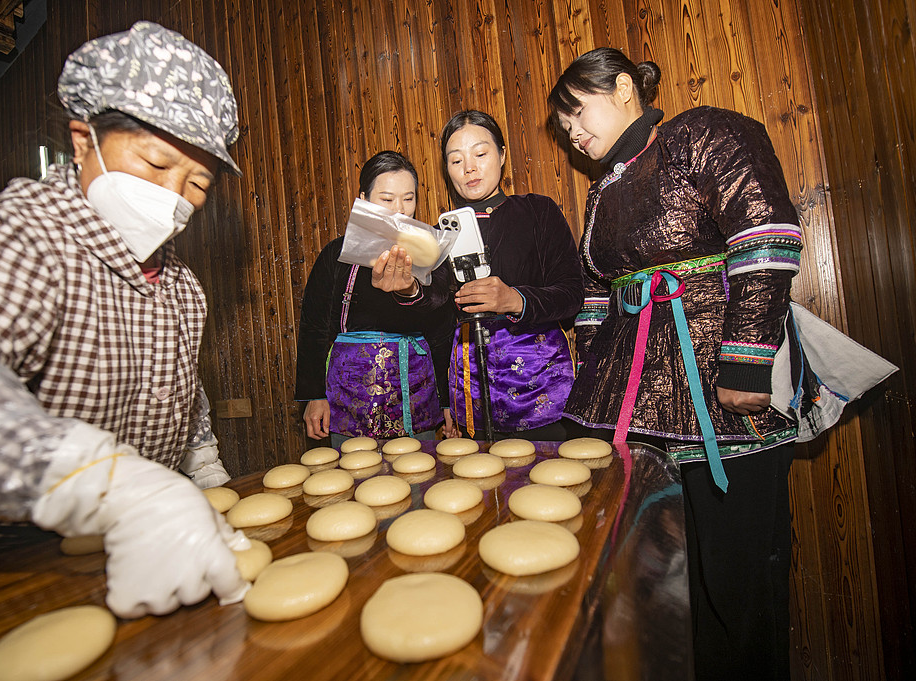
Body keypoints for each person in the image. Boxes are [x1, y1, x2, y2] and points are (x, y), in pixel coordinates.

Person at [0, 22, 251, 618]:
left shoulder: (183, 289)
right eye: (155, 162)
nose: (173, 195)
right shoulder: (9, 238)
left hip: (118, 566)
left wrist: (208, 480)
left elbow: (183, 401)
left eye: (197, 183)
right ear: (83, 141)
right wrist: (109, 485)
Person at [549, 47, 803, 680]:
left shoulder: (702, 134)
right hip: (632, 405)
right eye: (564, 127)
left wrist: (745, 363)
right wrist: (592, 375)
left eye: (578, 112)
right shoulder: (602, 190)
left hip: (717, 390)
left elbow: (765, 232)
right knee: (658, 581)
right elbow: (596, 292)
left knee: (736, 580)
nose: (573, 134)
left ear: (624, 88)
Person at [397, 110, 583, 440]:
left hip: (540, 385)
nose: (469, 168)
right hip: (469, 391)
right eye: (456, 160)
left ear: (502, 155)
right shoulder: (441, 234)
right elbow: (435, 316)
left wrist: (515, 299)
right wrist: (408, 289)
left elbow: (571, 294)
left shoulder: (539, 211)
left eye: (480, 154)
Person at [295, 151, 453, 447]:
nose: (400, 210)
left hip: (415, 392)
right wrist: (314, 395)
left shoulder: (431, 255)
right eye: (387, 199)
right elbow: (313, 327)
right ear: (364, 199)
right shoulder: (336, 254)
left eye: (408, 198)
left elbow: (442, 330)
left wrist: (446, 400)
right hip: (347, 393)